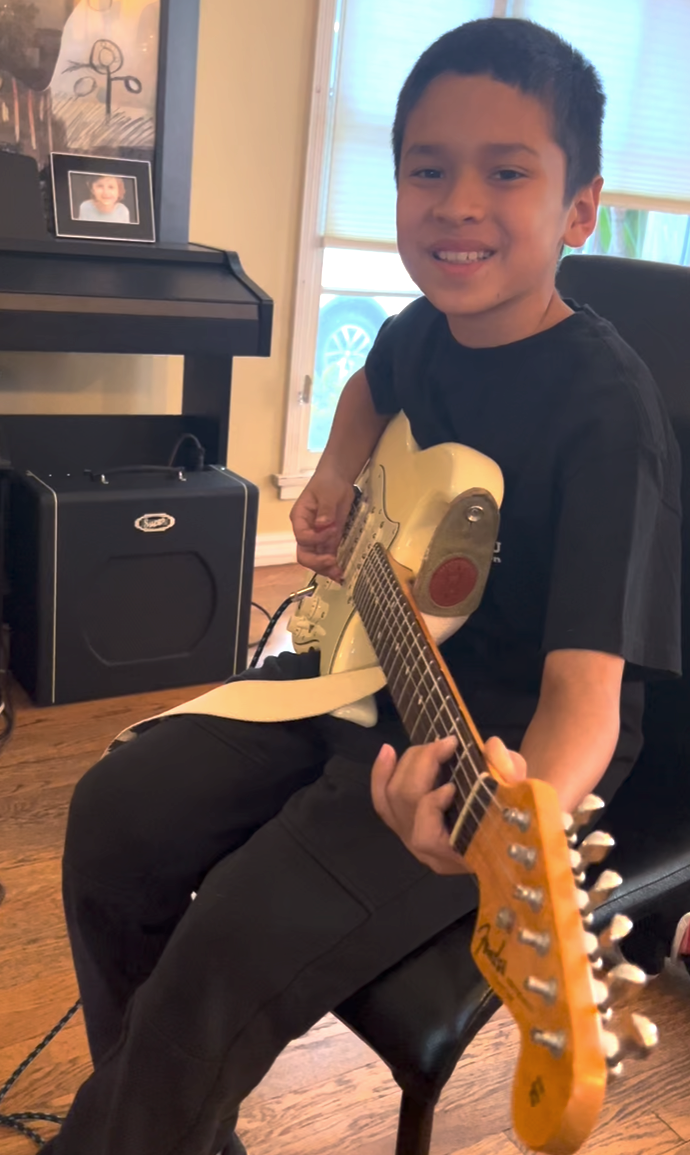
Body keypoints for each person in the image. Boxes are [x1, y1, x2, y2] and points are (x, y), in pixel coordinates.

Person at [42, 18, 680, 1155]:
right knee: (113, 814)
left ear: (580, 210)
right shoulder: (423, 330)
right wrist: (336, 474)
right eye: (427, 171)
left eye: (507, 173)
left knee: (219, 956)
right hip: (362, 661)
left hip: (482, 740)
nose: (458, 204)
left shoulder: (606, 418)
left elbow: (586, 706)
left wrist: (500, 817)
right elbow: (367, 393)